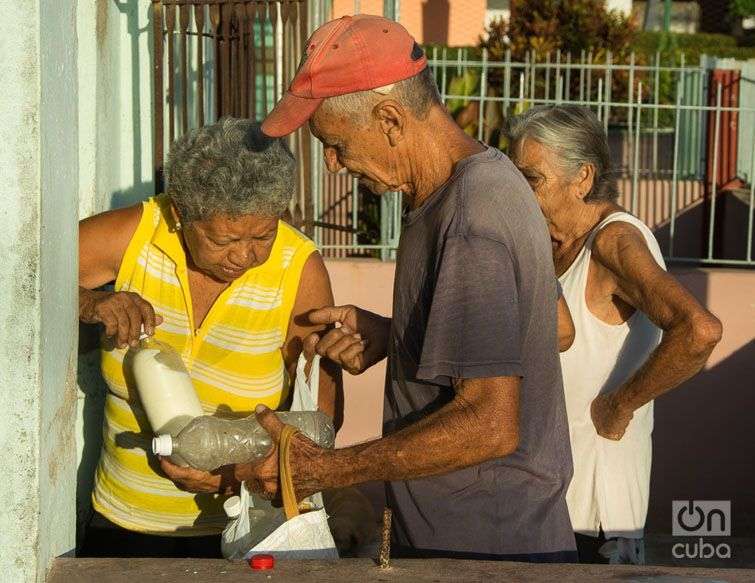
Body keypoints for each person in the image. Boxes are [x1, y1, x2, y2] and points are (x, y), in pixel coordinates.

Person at [235, 14, 577, 562]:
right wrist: (398, 337)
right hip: (470, 537)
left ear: (390, 119)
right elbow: (545, 332)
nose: (333, 162)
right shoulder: (468, 186)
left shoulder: (471, 219)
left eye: (336, 143)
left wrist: (324, 469)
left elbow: (490, 425)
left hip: (483, 551)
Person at [78, 118, 341, 557]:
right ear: (180, 215)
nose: (244, 255)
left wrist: (236, 476)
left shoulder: (298, 268)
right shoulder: (137, 236)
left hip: (250, 534)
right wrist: (88, 302)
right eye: (224, 240)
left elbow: (321, 419)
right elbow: (29, 278)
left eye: (262, 235)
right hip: (122, 526)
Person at [504, 105, 722, 564]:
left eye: (532, 179)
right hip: (547, 500)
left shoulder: (614, 242)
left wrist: (618, 405)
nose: (519, 193)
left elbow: (699, 330)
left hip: (592, 512)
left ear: (583, 178)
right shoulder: (558, 244)